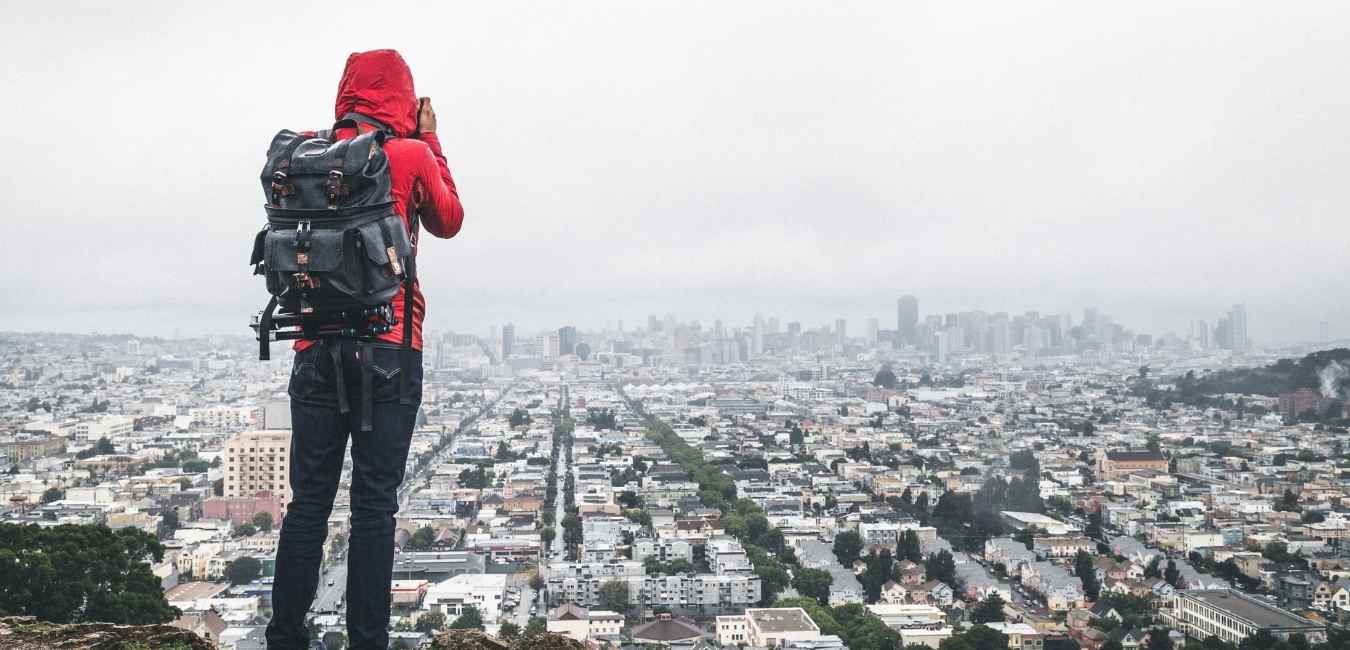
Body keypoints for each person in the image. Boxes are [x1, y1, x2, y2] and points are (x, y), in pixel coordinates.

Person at [266, 49, 464, 650]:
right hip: (389, 350)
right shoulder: (405, 156)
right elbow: (450, 219)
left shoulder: (304, 156)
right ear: (403, 98)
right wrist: (433, 142)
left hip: (313, 348)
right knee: (374, 507)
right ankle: (367, 642)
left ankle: (285, 638)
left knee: (309, 504)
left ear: (346, 93)